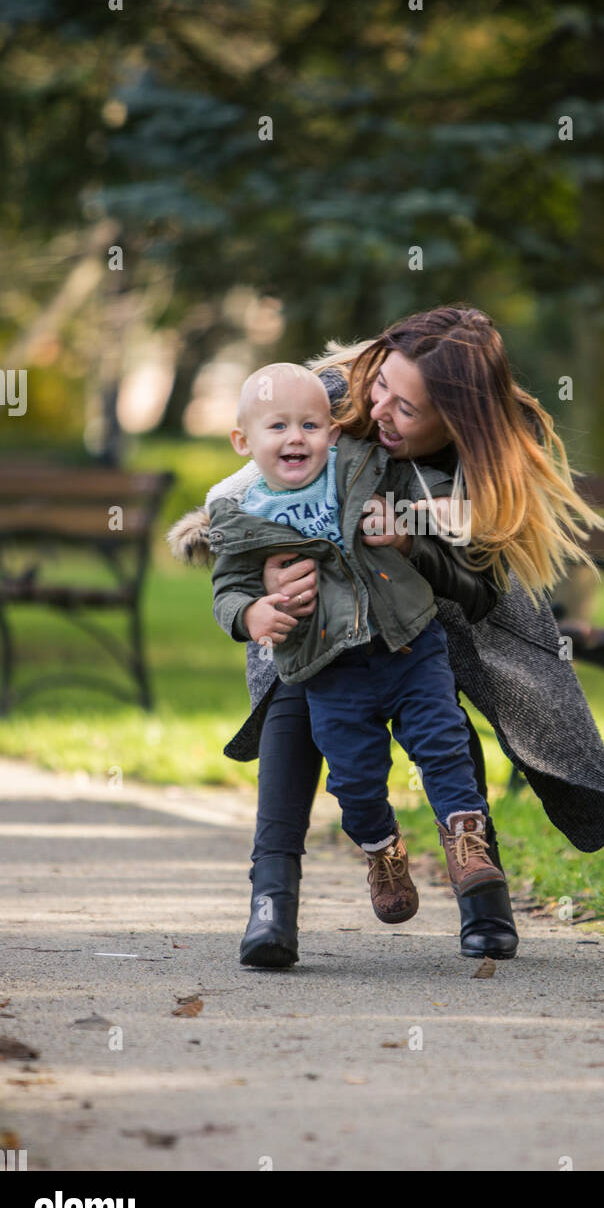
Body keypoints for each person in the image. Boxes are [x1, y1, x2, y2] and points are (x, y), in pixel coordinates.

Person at [169, 306, 604, 969]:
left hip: (432, 614)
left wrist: (414, 544)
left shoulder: (482, 467)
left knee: (440, 717)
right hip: (314, 618)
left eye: (405, 407)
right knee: (292, 702)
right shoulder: (337, 400)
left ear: (455, 423)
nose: (379, 408)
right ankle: (271, 902)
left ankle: (484, 903)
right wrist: (267, 571)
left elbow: (480, 595)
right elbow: (243, 494)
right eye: (381, 385)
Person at [198, 359, 509, 958]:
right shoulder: (244, 515)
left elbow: (446, 506)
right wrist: (252, 613)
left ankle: (468, 845)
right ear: (243, 443)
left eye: (311, 425)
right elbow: (227, 588)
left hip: (410, 645)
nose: (297, 437)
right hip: (326, 668)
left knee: (442, 741)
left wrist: (415, 527)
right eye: (279, 428)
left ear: (335, 430)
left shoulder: (365, 467)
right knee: (356, 779)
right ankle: (380, 848)